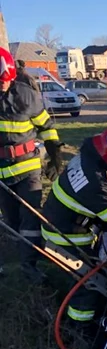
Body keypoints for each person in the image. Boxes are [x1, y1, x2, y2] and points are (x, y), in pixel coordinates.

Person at [42, 127, 107, 324]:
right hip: (66, 237)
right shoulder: (96, 183)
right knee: (91, 284)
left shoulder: (89, 157)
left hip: (63, 222)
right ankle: (81, 328)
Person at [0, 46, 63, 281]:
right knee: (11, 219)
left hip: (27, 167)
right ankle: (17, 256)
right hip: (1, 172)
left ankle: (30, 264)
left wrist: (54, 156)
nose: (2, 86)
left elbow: (46, 128)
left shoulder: (26, 96)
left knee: (30, 216)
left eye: (5, 81)